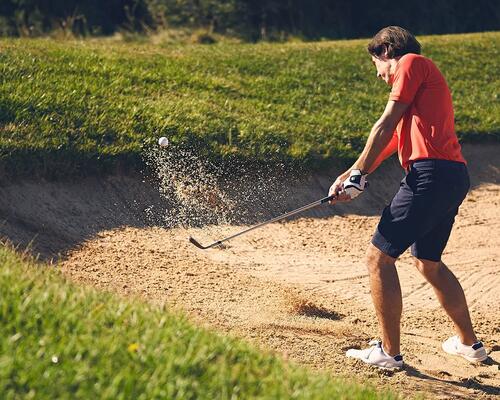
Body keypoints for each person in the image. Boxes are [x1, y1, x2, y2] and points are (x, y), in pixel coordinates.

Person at [330, 26, 487, 369]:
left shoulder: (411, 63)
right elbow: (388, 142)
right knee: (427, 261)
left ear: (386, 50)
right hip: (451, 176)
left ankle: (388, 353)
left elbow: (384, 123)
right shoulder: (418, 91)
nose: (379, 75)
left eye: (377, 65)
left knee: (378, 258)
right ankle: (469, 344)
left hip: (430, 176)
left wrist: (359, 175)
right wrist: (351, 173)